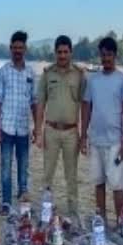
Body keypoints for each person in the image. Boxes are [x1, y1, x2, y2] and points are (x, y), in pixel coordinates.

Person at [80, 37, 123, 223]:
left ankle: (121, 223)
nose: (106, 58)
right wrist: (83, 135)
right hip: (95, 141)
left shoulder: (122, 79)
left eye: (109, 55)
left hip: (115, 142)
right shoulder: (93, 80)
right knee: (99, 182)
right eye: (103, 55)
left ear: (115, 55)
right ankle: (101, 222)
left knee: (117, 185)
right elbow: (86, 107)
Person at [35, 36, 86, 217]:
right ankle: (46, 211)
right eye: (59, 52)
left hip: (72, 132)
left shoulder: (80, 75)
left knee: (71, 175)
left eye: (66, 52)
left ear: (71, 52)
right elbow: (41, 104)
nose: (62, 55)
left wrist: (84, 135)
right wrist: (38, 132)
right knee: (47, 174)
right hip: (51, 131)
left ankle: (73, 211)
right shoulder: (48, 74)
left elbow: (85, 104)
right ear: (55, 53)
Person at [0, 31, 38, 215]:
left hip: (23, 128)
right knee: (5, 167)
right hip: (7, 127)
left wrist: (37, 126)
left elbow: (34, 101)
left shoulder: (31, 73)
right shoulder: (3, 71)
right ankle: (5, 202)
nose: (18, 51)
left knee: (23, 167)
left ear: (25, 49)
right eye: (15, 47)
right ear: (10, 48)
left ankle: (22, 201)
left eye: (21, 47)